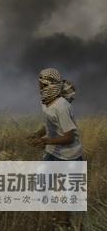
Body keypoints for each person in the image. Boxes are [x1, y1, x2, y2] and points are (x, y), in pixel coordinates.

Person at [26, 68, 83, 230]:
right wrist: (37, 134)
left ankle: (63, 224)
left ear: (46, 84)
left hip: (68, 156)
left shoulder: (62, 106)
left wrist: (46, 141)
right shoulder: (46, 101)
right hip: (53, 152)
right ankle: (57, 220)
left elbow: (69, 137)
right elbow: (49, 123)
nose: (38, 84)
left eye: (40, 82)